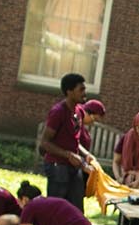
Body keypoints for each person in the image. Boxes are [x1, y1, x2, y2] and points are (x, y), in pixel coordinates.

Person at [40, 73, 102, 201]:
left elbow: (74, 141)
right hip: (57, 166)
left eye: (85, 89)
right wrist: (68, 155)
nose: (85, 93)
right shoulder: (58, 112)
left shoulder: (78, 111)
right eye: (81, 89)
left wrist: (87, 155)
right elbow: (45, 143)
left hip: (73, 166)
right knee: (56, 208)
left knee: (77, 209)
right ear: (69, 92)